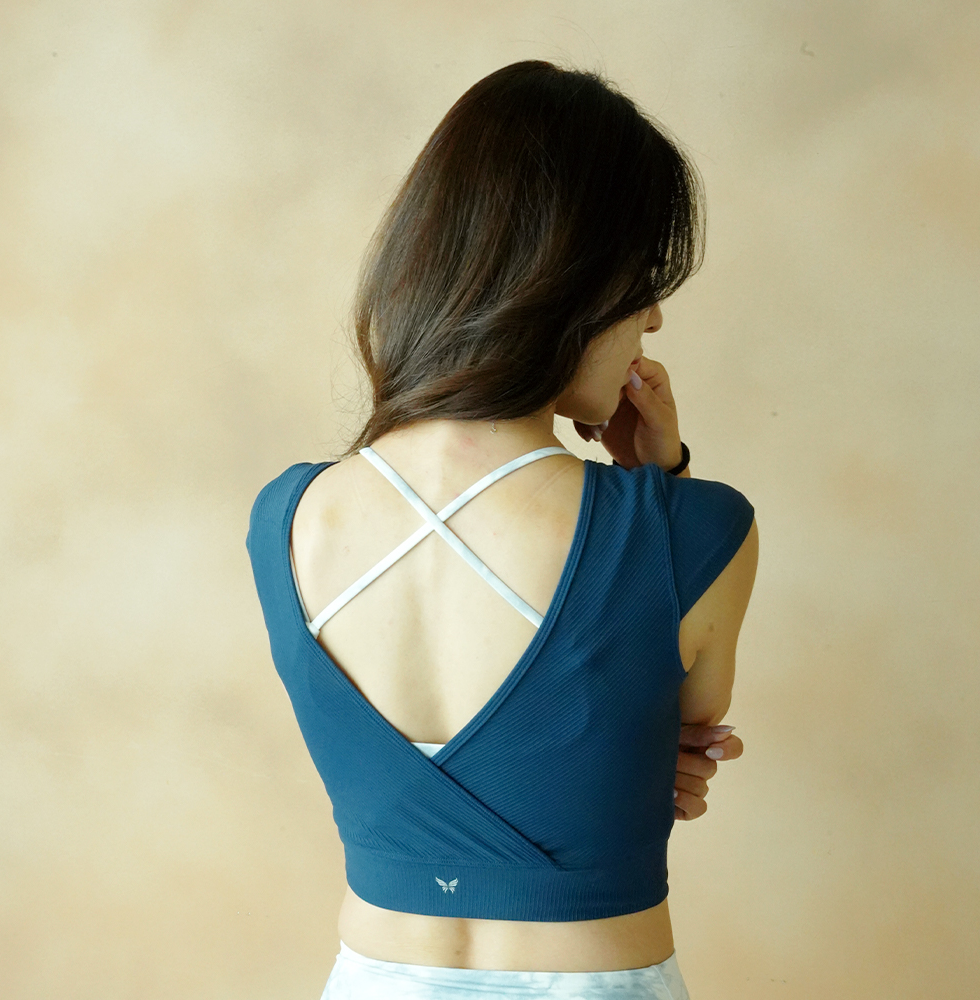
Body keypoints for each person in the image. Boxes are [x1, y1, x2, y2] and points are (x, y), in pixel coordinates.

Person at [246, 59, 758, 1000]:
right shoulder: (695, 529)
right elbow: (682, 733)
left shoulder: (287, 519)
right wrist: (660, 489)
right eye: (643, 282)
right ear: (570, 280)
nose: (653, 319)